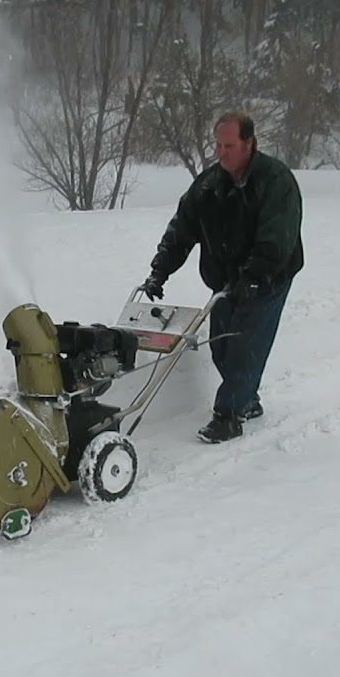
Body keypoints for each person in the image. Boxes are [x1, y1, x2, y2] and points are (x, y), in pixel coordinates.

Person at [140, 110, 304, 444]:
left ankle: (228, 416)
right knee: (222, 347)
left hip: (268, 279)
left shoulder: (275, 181)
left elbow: (277, 239)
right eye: (218, 144)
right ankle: (247, 399)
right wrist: (159, 271)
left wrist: (255, 276)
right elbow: (181, 230)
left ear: (249, 143)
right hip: (227, 280)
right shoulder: (208, 185)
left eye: (229, 145)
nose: (222, 152)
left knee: (245, 346)